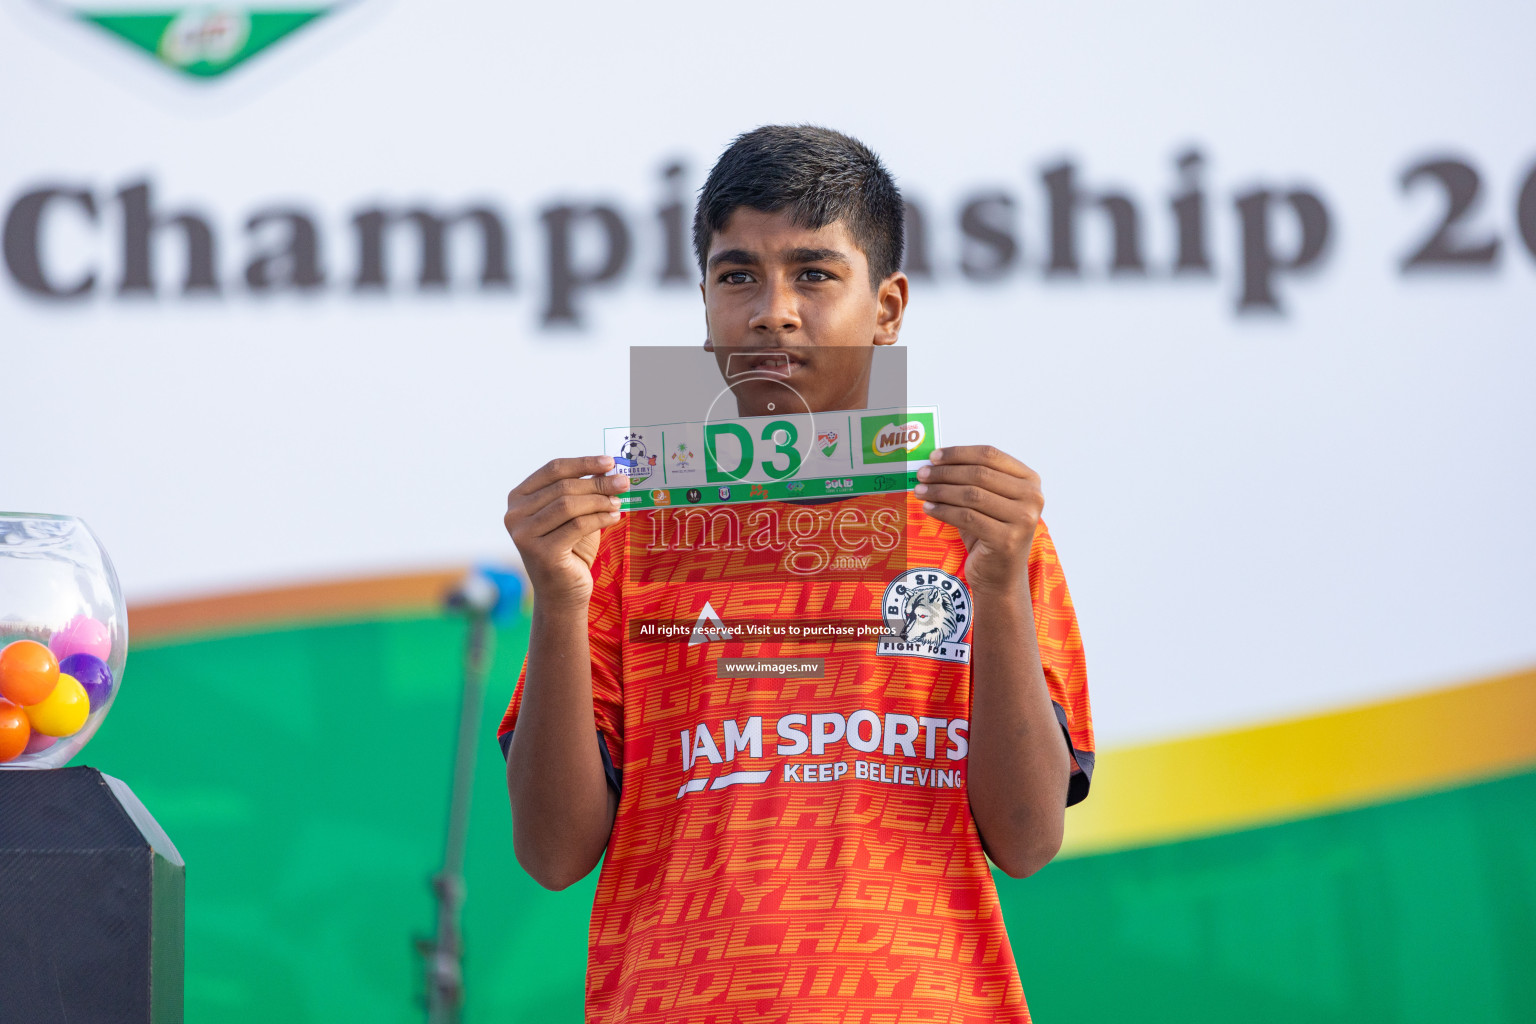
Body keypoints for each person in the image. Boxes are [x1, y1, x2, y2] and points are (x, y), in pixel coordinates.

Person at [499, 125, 1094, 1023]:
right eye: (738, 275)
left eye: (815, 274)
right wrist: (557, 599)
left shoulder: (977, 532)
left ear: (888, 308)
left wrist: (1000, 587)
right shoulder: (620, 538)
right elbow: (552, 854)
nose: (772, 310)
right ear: (703, 305)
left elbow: (1028, 839)